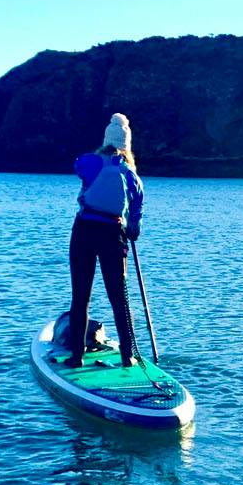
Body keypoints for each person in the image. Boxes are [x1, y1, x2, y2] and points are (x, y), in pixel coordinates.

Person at [64, 112, 144, 368]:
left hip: (84, 230)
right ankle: (128, 356)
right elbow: (136, 213)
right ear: (127, 145)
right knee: (119, 298)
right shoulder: (131, 175)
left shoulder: (89, 162)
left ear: (107, 140)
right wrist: (132, 230)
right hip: (113, 234)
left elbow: (79, 167)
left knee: (81, 297)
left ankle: (77, 357)